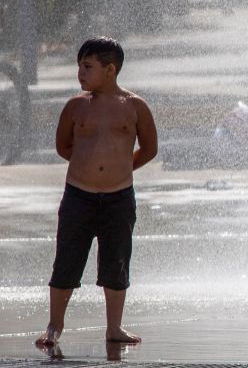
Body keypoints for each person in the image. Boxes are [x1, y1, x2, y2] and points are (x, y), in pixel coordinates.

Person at [36, 37, 158, 347]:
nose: (80, 73)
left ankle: (114, 327)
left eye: (88, 67)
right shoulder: (76, 106)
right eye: (79, 66)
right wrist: (87, 165)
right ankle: (54, 325)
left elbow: (150, 148)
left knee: (116, 262)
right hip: (79, 195)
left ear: (110, 70)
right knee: (66, 260)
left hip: (119, 197)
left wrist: (121, 167)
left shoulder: (134, 106)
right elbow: (64, 146)